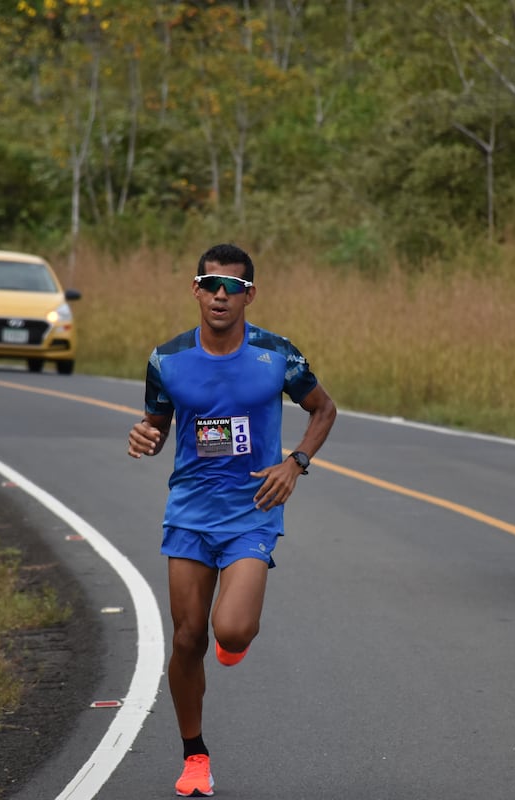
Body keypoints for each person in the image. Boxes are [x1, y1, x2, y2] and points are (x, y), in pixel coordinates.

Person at [127, 243, 337, 797]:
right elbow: (155, 426)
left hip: (252, 512)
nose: (222, 295)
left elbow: (324, 408)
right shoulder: (167, 359)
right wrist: (143, 437)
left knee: (232, 629)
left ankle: (233, 639)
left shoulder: (276, 354)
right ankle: (195, 755)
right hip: (190, 513)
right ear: (195, 289)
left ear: (250, 294)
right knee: (187, 638)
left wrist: (296, 462)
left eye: (234, 287)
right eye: (211, 284)